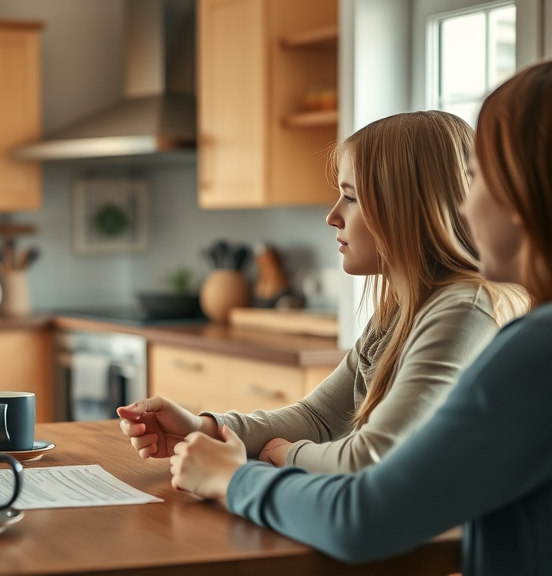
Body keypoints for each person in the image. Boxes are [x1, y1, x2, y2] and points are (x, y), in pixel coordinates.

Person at [167, 61, 552, 575]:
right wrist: (215, 429)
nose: (464, 205)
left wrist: (238, 478)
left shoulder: (529, 346)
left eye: (479, 178)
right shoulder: (412, 311)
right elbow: (325, 418)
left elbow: (367, 510)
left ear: (523, 196)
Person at [119, 110, 527, 473]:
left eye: (351, 197)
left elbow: (371, 458)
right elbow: (319, 418)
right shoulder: (400, 311)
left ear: (408, 208)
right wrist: (203, 428)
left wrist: (286, 455)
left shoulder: (464, 309)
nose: (333, 216)